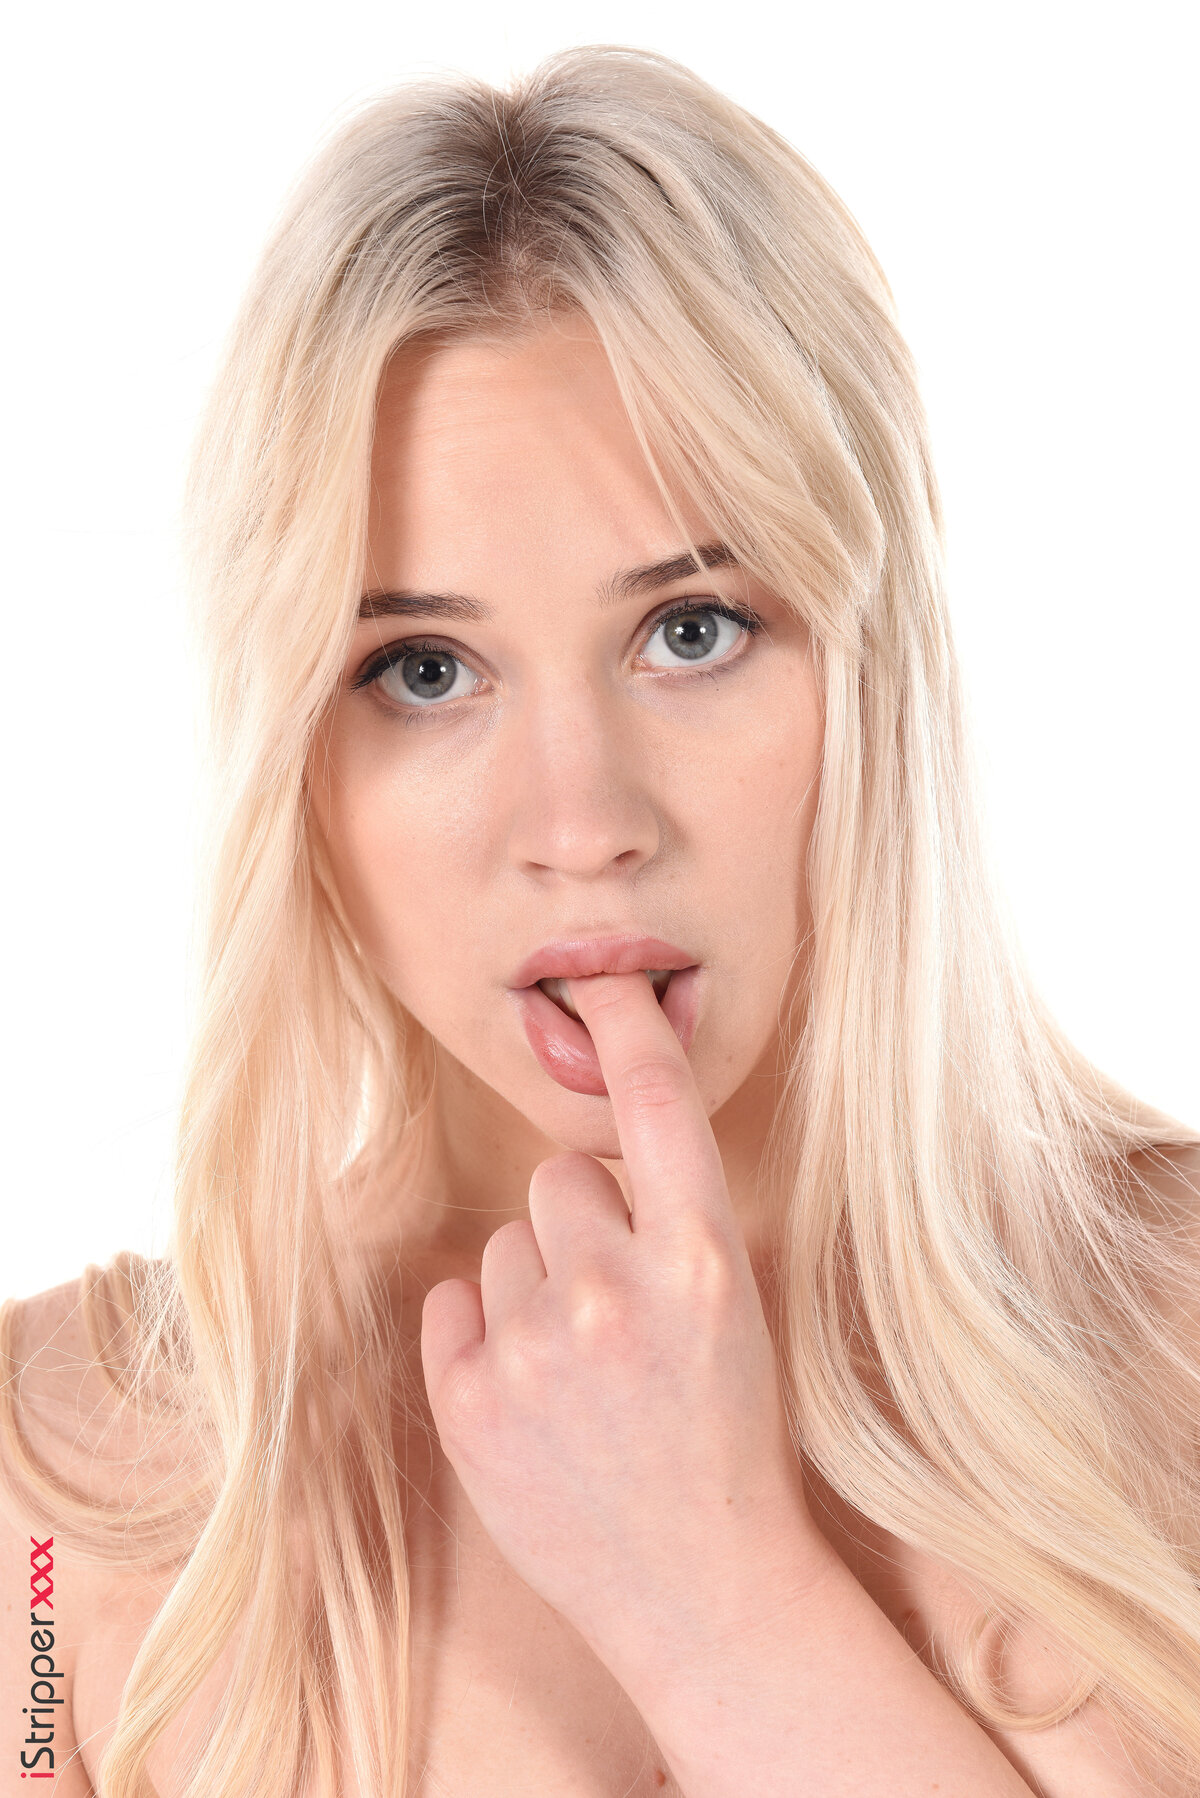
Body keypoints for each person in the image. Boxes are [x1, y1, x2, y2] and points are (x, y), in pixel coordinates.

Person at [2, 42, 1198, 1798]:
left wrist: (718, 1603)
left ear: (875, 662)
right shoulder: (50, 1508)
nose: (580, 827)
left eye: (692, 632)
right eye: (423, 669)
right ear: (293, 755)